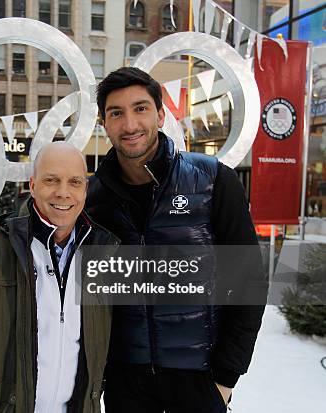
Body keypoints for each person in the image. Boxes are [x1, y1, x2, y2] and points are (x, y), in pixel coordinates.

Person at [86, 67, 267, 413]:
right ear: (103, 122)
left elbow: (249, 282)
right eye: (116, 113)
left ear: (160, 113)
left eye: (140, 108)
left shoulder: (213, 180)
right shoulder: (93, 198)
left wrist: (225, 378)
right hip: (127, 384)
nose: (130, 124)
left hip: (199, 380)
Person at [0, 142, 118, 412]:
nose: (63, 192)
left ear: (85, 190)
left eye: (75, 182)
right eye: (51, 180)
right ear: (33, 185)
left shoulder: (105, 254)